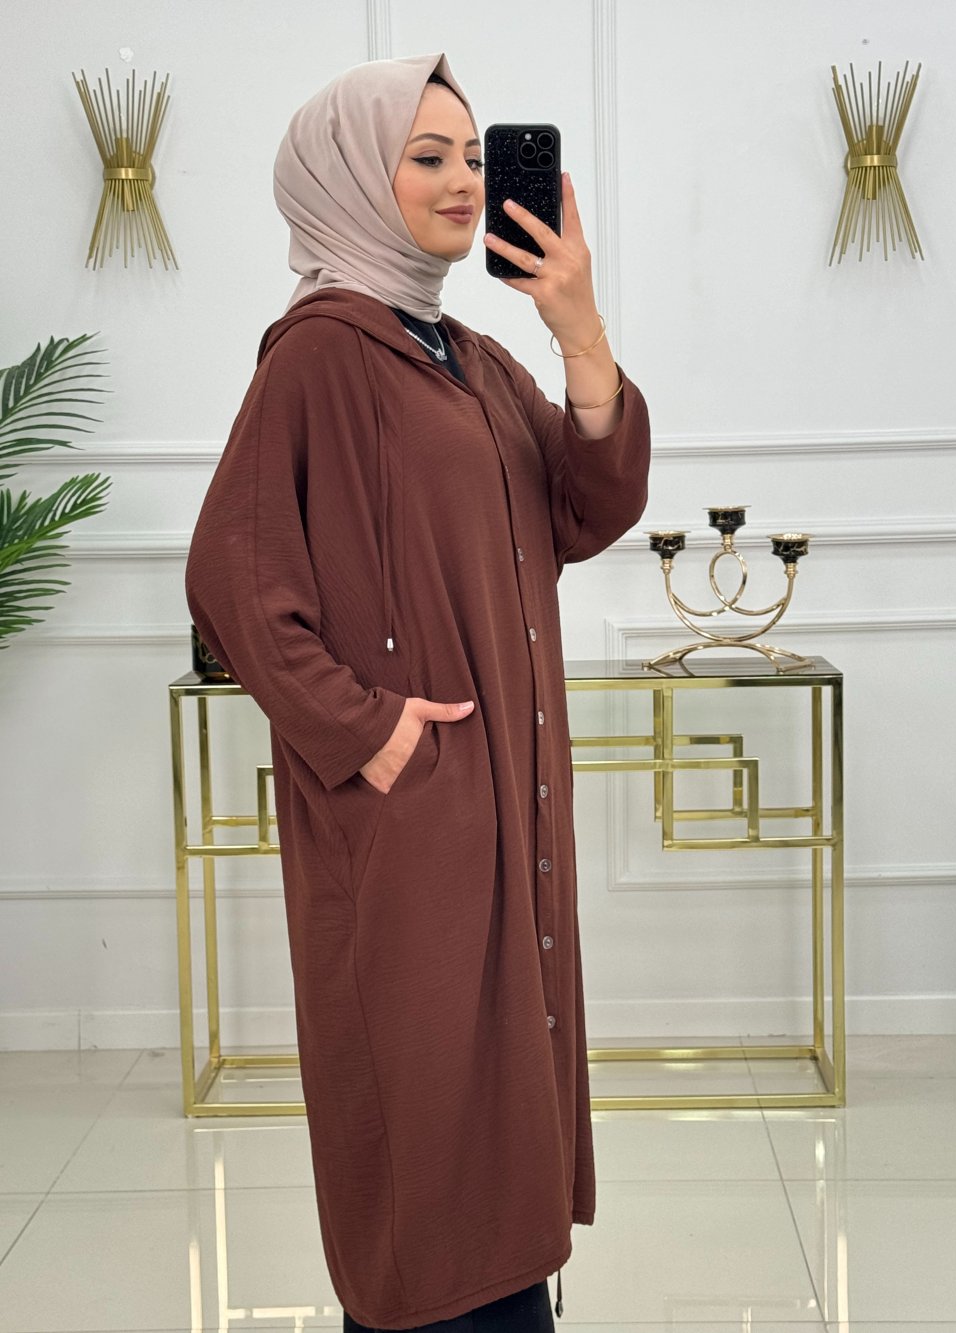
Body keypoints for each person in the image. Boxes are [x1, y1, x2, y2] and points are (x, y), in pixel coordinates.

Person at [185, 52, 650, 1333]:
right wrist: (370, 732)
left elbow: (586, 504)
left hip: (499, 804)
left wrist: (577, 327)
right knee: (430, 1137)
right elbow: (232, 576)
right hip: (414, 824)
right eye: (426, 156)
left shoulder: (471, 358)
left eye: (473, 157)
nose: (462, 181)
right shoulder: (321, 356)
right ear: (348, 176)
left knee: (495, 1128)